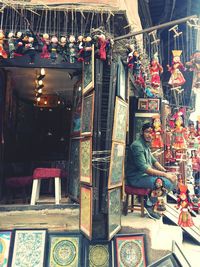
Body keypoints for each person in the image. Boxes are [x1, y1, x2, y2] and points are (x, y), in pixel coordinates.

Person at [126, 122, 177, 219]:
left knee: (172, 180)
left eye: (151, 132)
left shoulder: (145, 144)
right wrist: (165, 175)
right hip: (136, 178)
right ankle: (149, 204)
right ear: (142, 132)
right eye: (147, 132)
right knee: (164, 183)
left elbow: (154, 161)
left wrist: (166, 172)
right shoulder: (137, 146)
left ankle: (151, 201)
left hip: (144, 177)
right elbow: (145, 168)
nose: (149, 135)